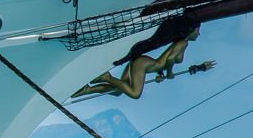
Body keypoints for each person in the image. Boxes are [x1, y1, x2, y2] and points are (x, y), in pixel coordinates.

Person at [71, 23, 201, 100]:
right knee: (135, 94)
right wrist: (169, 73)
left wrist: (160, 73)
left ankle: (88, 90)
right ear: (191, 30)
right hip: (142, 65)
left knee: (118, 91)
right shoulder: (183, 43)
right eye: (197, 30)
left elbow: (165, 59)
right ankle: (106, 77)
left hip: (144, 64)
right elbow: (171, 59)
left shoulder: (181, 43)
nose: (198, 34)